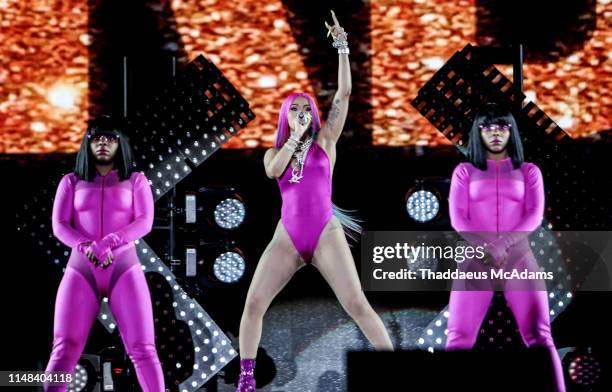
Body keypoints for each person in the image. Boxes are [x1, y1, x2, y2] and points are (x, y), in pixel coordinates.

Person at [235, 10, 393, 391]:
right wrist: (293, 138)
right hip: (287, 236)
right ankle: (245, 378)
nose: (302, 112)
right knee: (254, 305)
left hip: (325, 231)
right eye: (295, 108)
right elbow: (274, 172)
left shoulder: (325, 143)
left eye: (307, 108)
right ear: (285, 115)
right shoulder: (275, 153)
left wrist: (342, 48)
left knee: (356, 303)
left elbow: (344, 94)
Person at [446, 103, 566, 392]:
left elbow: (534, 215)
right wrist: (488, 246)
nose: (495, 133)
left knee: (540, 336)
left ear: (511, 131)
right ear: (478, 132)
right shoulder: (464, 171)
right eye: (487, 127)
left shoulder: (529, 171)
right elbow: (458, 218)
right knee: (458, 339)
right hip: (476, 261)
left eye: (502, 126)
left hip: (520, 260)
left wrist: (503, 245)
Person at [44, 115, 165, 392]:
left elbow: (144, 222)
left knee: (143, 349)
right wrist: (88, 247)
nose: (102, 143)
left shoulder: (136, 180)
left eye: (109, 138)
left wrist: (109, 242)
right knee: (64, 350)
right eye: (96, 137)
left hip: (124, 269)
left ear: (120, 143)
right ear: (86, 144)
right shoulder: (70, 182)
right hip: (80, 271)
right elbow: (59, 225)